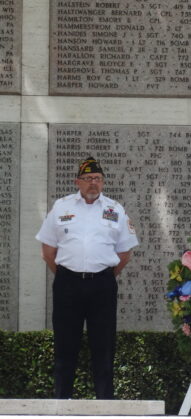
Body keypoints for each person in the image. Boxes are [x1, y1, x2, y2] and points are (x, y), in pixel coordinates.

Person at [35, 157, 139, 399]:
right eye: (88, 179)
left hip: (102, 285)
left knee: (103, 346)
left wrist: (102, 274)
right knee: (65, 345)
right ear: (77, 182)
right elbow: (48, 251)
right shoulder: (61, 207)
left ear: (103, 182)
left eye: (98, 179)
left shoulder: (115, 209)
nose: (94, 183)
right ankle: (62, 402)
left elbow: (124, 253)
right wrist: (67, 274)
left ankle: (105, 403)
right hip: (67, 284)